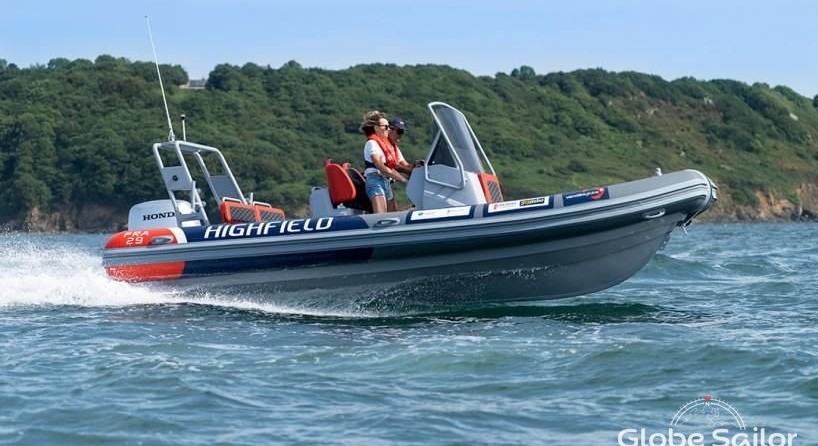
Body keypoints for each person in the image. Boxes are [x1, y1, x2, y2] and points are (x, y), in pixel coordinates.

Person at [360, 111, 407, 214]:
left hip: (386, 182)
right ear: (376, 128)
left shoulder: (386, 146)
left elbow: (390, 168)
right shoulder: (372, 143)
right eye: (386, 127)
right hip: (375, 181)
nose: (388, 129)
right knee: (381, 216)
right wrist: (401, 179)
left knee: (393, 215)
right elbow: (380, 166)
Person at [385, 117, 423, 211]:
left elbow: (405, 166)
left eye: (402, 132)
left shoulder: (394, 148)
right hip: (381, 182)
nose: (401, 135)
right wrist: (412, 169)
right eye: (399, 132)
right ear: (390, 129)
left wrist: (418, 166)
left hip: (388, 184)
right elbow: (395, 166)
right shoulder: (383, 146)